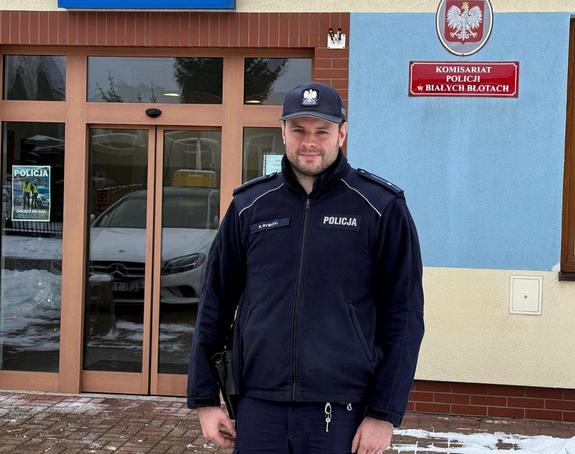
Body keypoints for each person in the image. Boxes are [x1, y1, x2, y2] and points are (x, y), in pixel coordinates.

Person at [187, 81, 424, 454]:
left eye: (322, 131)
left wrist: (383, 413)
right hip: (258, 405)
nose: (309, 142)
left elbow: (405, 317)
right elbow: (215, 302)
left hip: (341, 411)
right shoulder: (250, 206)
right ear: (283, 132)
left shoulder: (380, 207)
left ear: (341, 134)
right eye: (298, 130)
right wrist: (204, 398)